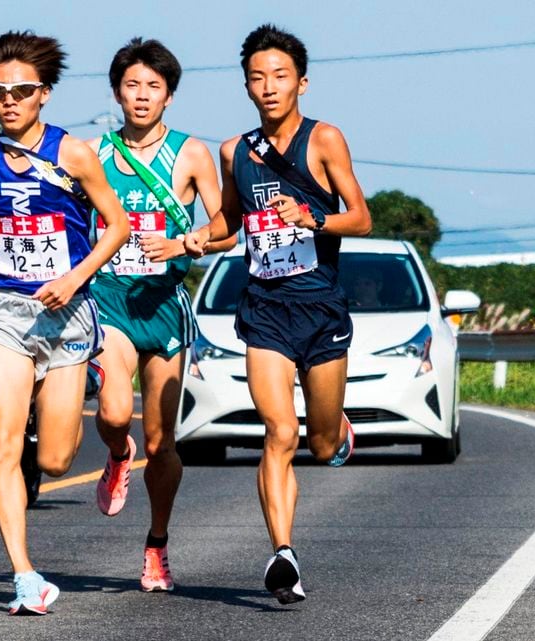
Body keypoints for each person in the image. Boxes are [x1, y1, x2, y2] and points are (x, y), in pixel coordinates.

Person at [0, 30, 129, 615]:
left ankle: (96, 408)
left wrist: (74, 277)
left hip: (66, 313)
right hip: (7, 314)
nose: (9, 100)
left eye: (22, 90)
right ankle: (25, 578)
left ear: (45, 95)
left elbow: (116, 226)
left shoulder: (74, 154)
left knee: (56, 458)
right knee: (3, 446)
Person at [184, 24, 372, 605]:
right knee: (279, 432)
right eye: (258, 78)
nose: (269, 87)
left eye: (280, 76)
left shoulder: (325, 141)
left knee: (317, 443)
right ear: (246, 86)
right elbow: (231, 222)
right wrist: (198, 238)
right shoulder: (234, 151)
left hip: (320, 306)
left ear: (302, 83)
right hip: (264, 308)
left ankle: (335, 424)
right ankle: (284, 554)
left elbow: (362, 218)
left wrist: (311, 218)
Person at [86, 37, 235, 593]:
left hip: (166, 306)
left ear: (169, 96)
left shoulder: (191, 153)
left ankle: (156, 544)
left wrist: (188, 243)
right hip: (110, 299)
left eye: (153, 86)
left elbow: (226, 227)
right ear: (117, 92)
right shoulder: (93, 154)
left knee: (161, 443)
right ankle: (114, 452)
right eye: (132, 85)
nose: (141, 95)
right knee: (113, 409)